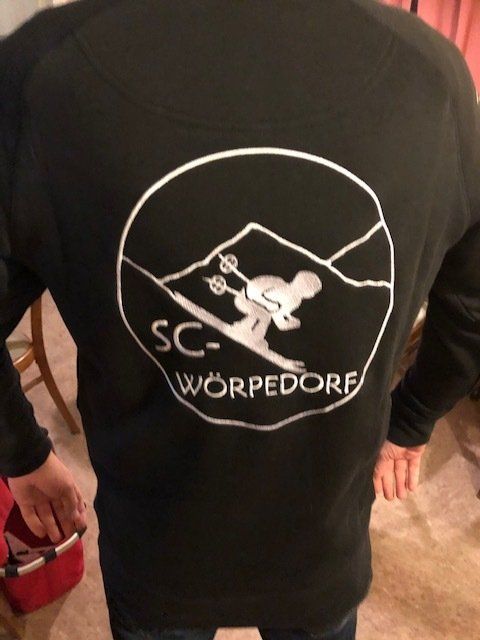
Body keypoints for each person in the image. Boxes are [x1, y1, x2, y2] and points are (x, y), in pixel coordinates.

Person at [0, 1, 479, 639]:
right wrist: (413, 419)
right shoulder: (433, 77)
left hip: (166, 551)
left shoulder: (39, 73)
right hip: (306, 550)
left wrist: (22, 454)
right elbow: (470, 311)